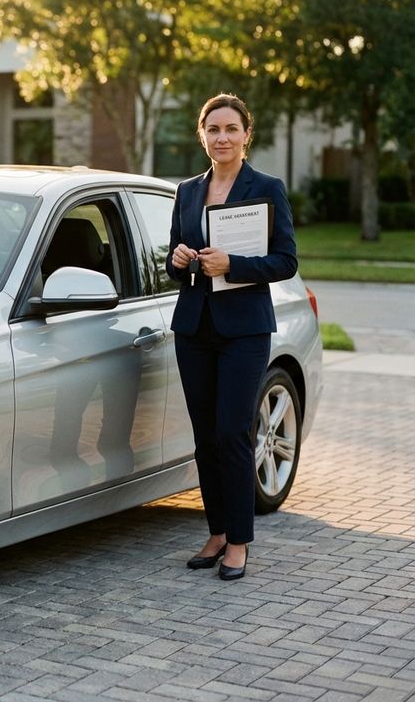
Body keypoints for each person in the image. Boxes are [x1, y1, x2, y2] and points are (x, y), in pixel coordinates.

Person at [166, 93, 297, 581]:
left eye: (230, 129)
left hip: (244, 330)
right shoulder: (187, 191)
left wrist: (233, 265)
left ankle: (239, 541)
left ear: (246, 135)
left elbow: (286, 260)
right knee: (205, 438)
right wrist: (179, 261)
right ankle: (217, 532)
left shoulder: (267, 188)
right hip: (194, 327)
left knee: (232, 434)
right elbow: (174, 264)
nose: (222, 138)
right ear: (202, 135)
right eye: (213, 129)